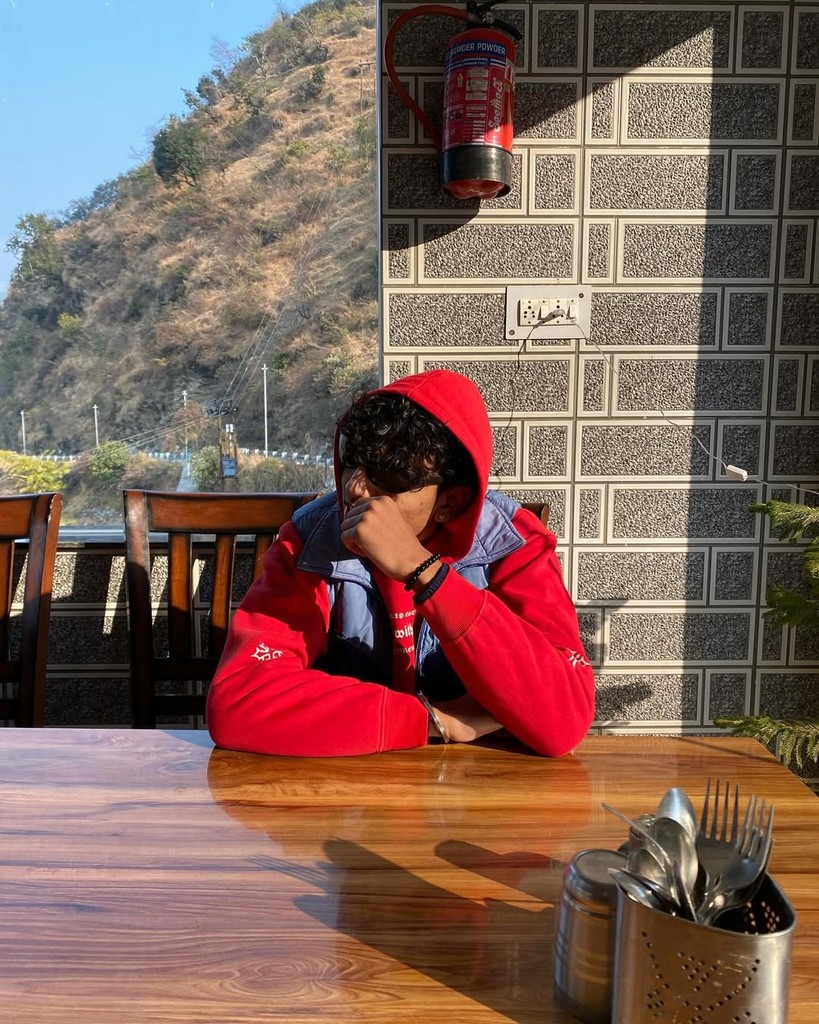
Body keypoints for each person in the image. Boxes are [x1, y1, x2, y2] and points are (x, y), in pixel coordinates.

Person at [206, 369, 594, 756]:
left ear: (450, 502)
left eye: (389, 475)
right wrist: (435, 720)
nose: (355, 488)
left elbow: (563, 719)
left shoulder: (512, 544)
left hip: (479, 781)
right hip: (348, 780)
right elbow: (238, 704)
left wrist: (425, 572)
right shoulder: (310, 542)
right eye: (351, 459)